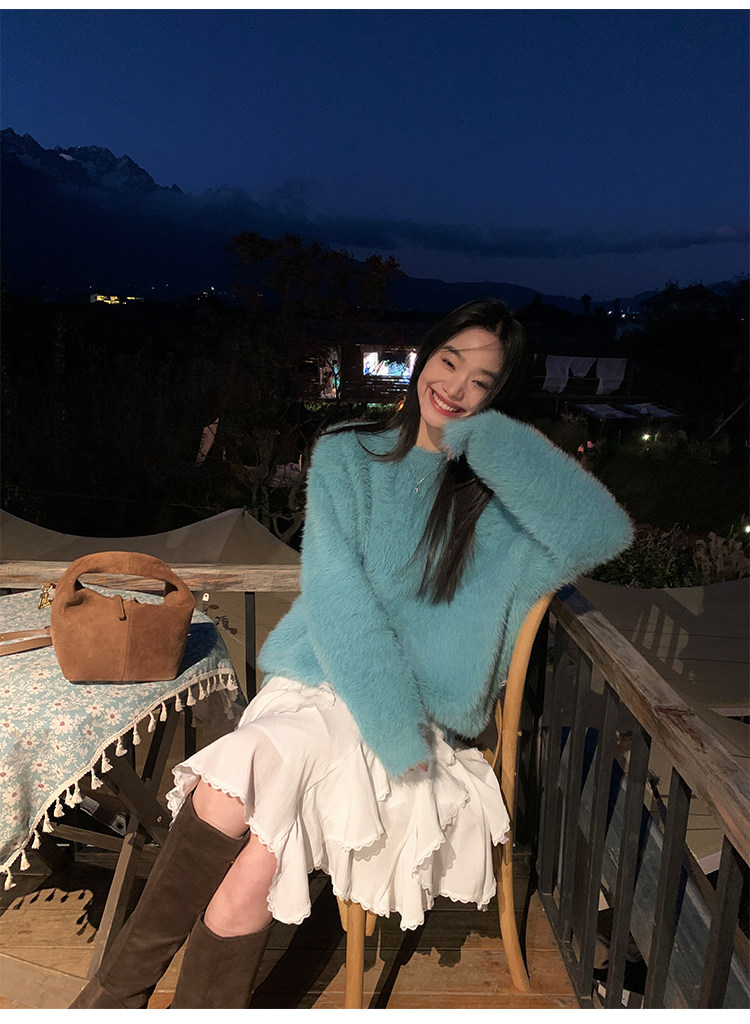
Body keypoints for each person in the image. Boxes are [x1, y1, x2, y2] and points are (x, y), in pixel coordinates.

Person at [71, 298, 632, 1009]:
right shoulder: (348, 454)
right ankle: (117, 1000)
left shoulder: (494, 504)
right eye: (448, 361)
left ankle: (108, 1002)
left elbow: (602, 530)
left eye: (482, 383)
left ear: (497, 402)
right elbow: (337, 599)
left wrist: (492, 441)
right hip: (320, 682)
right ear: (424, 356)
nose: (454, 387)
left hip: (413, 717)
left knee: (246, 840)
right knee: (246, 802)